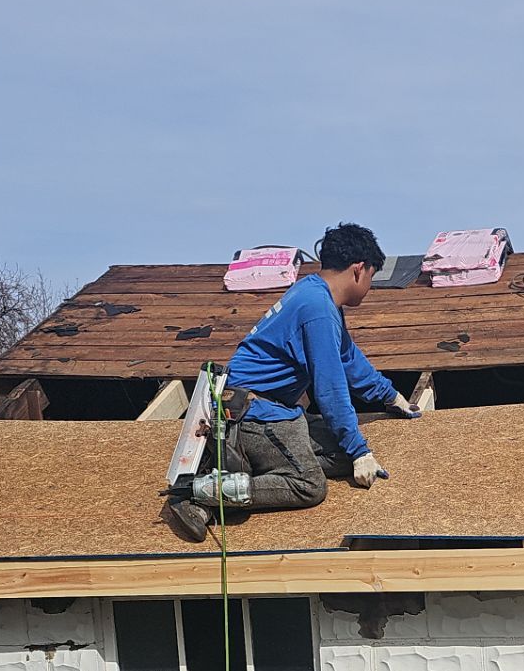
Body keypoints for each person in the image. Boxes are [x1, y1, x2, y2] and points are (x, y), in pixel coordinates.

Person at [166, 221, 420, 541]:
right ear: (359, 270)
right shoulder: (317, 308)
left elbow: (348, 358)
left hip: (269, 410)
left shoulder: (315, 293)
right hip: (252, 415)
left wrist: (391, 397)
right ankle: (197, 493)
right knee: (308, 484)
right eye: (371, 276)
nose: (370, 286)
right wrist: (359, 451)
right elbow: (330, 389)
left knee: (344, 452)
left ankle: (251, 470)